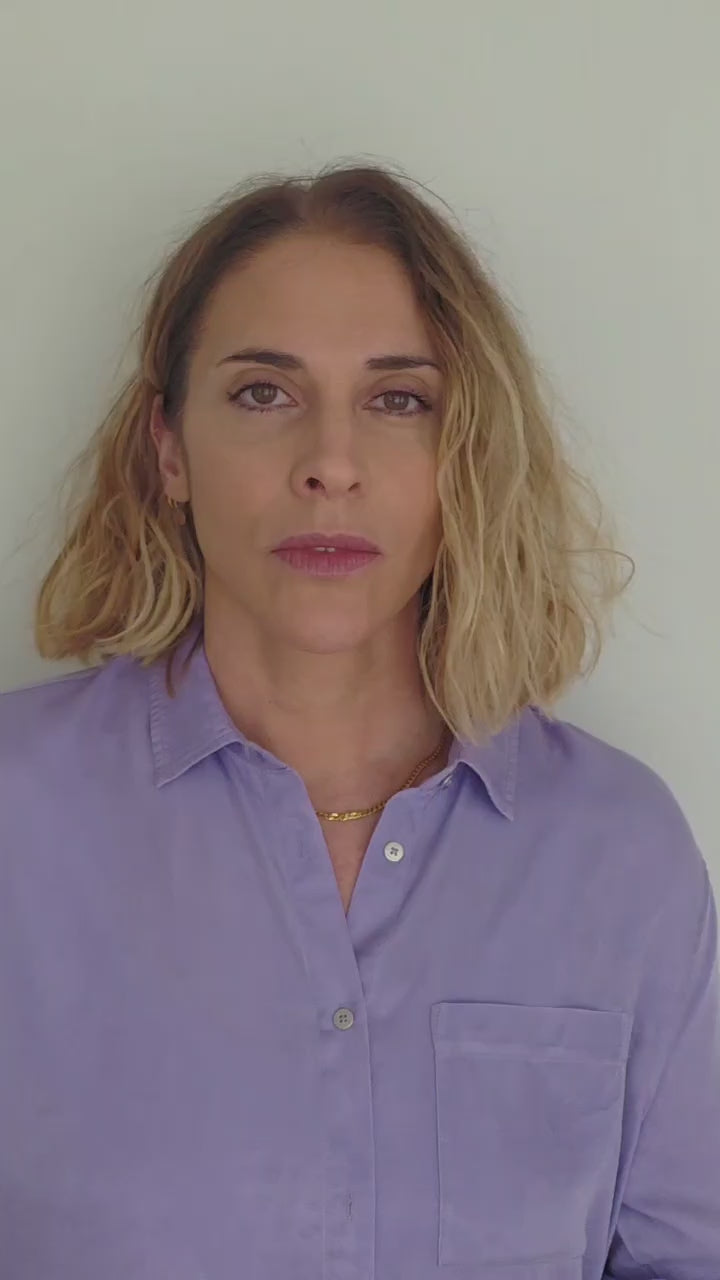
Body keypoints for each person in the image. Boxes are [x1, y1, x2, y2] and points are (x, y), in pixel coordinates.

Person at [0, 161, 718, 1279]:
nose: (330, 465)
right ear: (169, 449)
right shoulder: (19, 817)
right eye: (263, 393)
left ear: (464, 451)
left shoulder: (619, 852)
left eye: (398, 400)